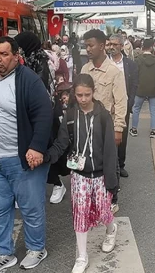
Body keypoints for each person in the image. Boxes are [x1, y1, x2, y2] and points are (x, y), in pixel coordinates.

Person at [0, 36, 53, 272]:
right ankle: (4, 253)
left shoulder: (28, 80)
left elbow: (44, 113)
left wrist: (36, 147)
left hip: (21, 160)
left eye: (4, 54)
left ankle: (37, 248)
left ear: (16, 56)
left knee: (31, 207)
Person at [46, 74, 119, 273]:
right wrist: (47, 157)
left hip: (101, 172)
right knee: (80, 214)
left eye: (87, 94)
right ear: (74, 94)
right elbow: (62, 142)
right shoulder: (70, 116)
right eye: (79, 95)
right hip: (78, 173)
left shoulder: (103, 116)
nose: (84, 99)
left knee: (104, 211)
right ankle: (82, 256)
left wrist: (112, 181)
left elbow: (110, 149)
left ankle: (111, 230)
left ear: (93, 92)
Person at [80, 29, 127, 214]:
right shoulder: (85, 69)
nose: (88, 49)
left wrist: (118, 129)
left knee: (110, 163)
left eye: (91, 45)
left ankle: (112, 198)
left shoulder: (114, 72)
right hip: (87, 125)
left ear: (101, 46)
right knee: (90, 161)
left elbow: (121, 102)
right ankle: (93, 196)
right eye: (86, 46)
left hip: (107, 126)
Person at [106, 33, 137, 179]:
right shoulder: (104, 63)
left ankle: (120, 164)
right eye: (109, 44)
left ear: (121, 45)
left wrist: (128, 105)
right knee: (106, 137)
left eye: (114, 44)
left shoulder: (130, 65)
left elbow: (134, 86)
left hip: (122, 107)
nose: (111, 47)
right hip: (106, 107)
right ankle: (108, 165)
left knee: (121, 138)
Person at [129, 39, 155, 138]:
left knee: (136, 109)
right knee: (153, 110)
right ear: (152, 47)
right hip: (153, 88)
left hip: (140, 88)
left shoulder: (138, 59)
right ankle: (153, 131)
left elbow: (134, 74)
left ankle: (134, 129)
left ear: (143, 46)